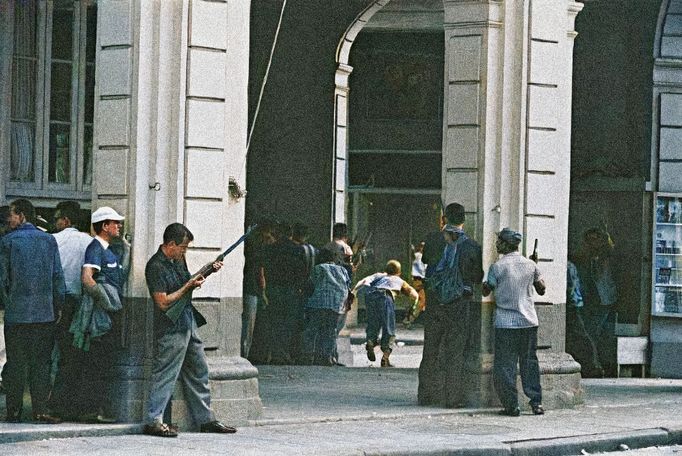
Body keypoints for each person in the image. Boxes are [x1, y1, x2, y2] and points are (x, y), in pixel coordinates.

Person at [144, 223, 236, 437]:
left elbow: (186, 283)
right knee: (165, 374)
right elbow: (163, 302)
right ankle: (153, 420)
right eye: (183, 247)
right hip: (170, 328)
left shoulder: (178, 260)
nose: (185, 251)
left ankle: (205, 419)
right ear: (171, 244)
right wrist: (188, 286)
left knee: (199, 371)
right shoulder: (155, 266)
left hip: (187, 321)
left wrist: (208, 271)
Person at [0, 199, 65, 423]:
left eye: (12, 214)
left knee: (16, 363)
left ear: (23, 216)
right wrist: (58, 306)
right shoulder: (49, 240)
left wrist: (8, 304)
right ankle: (40, 410)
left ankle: (14, 411)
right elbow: (58, 277)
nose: (9, 219)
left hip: (16, 314)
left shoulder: (8, 242)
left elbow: (3, 280)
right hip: (44, 314)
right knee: (41, 364)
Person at [417, 203, 483, 408]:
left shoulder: (433, 239)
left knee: (431, 348)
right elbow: (477, 276)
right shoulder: (472, 246)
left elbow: (426, 259)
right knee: (456, 350)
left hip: (435, 302)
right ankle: (452, 398)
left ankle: (426, 395)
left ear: (445, 218)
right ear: (464, 220)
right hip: (459, 304)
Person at [482, 228, 546, 417]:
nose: (496, 244)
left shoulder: (497, 267)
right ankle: (536, 403)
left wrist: (484, 282)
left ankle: (512, 405)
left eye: (498, 241)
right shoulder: (530, 265)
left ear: (504, 244)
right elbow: (541, 289)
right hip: (528, 321)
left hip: (505, 324)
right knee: (529, 362)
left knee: (505, 365)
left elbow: (487, 291)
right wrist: (535, 267)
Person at [76, 206, 127, 422]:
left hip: (108, 313)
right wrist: (106, 302)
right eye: (115, 222)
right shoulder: (95, 247)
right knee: (97, 362)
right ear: (104, 226)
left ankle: (96, 409)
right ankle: (93, 410)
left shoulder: (110, 249)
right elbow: (87, 278)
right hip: (101, 316)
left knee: (103, 362)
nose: (119, 226)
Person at [49, 201, 94, 419]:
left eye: (56, 218)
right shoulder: (88, 241)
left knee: (48, 353)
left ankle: (50, 402)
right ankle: (68, 404)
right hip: (77, 302)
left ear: (65, 220)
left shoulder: (52, 240)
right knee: (72, 355)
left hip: (53, 302)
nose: (55, 223)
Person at [354, 260, 418, 367]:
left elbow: (363, 281)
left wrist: (353, 292)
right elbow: (413, 294)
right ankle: (385, 356)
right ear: (399, 272)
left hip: (371, 297)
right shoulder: (399, 280)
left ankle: (370, 341)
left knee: (373, 323)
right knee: (389, 328)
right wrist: (414, 305)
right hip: (385, 298)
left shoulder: (378, 275)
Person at [301, 248, 351, 366]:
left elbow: (310, 285)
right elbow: (347, 285)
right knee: (330, 331)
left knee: (312, 329)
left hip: (318, 303)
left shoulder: (318, 268)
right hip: (335, 305)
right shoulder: (343, 270)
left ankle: (308, 356)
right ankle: (326, 357)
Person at [403, 241, 427, 328]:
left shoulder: (424, 257)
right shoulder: (418, 256)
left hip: (422, 280)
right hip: (418, 280)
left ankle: (408, 318)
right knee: (420, 301)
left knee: (419, 301)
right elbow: (414, 255)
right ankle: (409, 319)